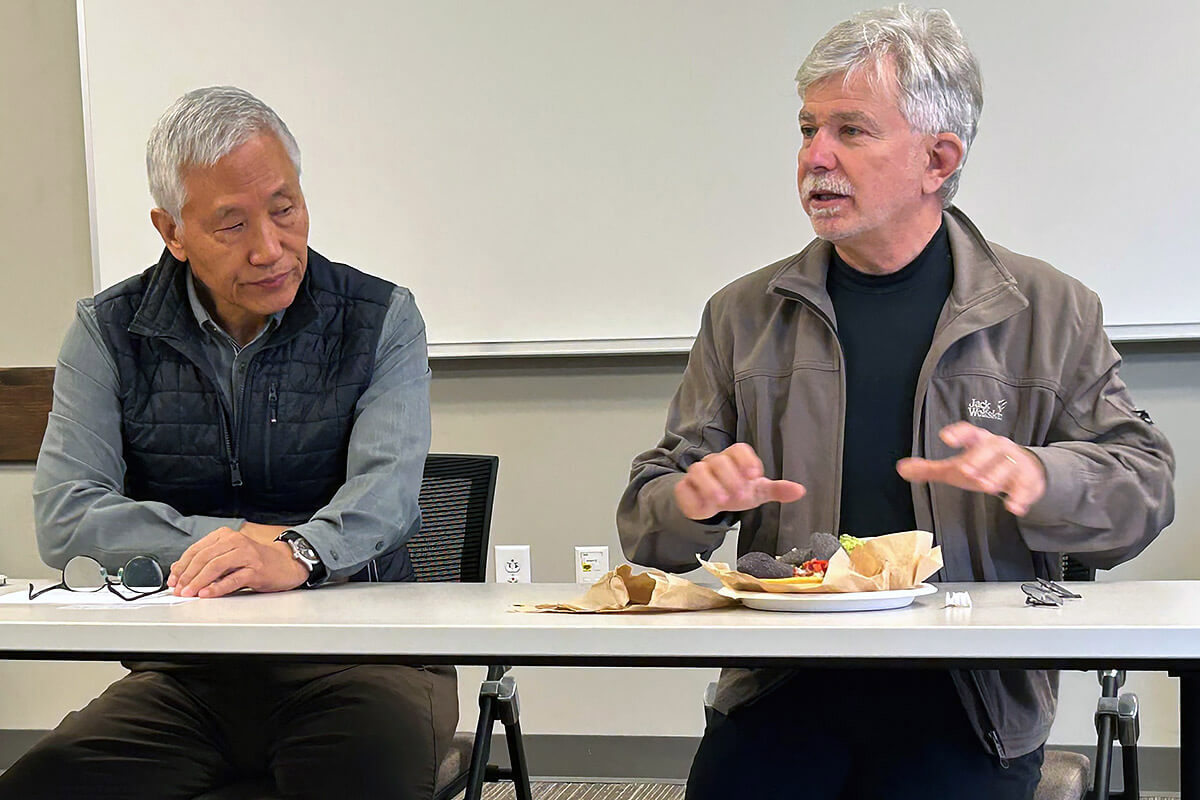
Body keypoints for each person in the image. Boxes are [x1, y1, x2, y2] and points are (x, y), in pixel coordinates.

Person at [616, 6, 1175, 799]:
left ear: (938, 157)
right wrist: (691, 500)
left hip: (967, 697)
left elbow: (1145, 486)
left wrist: (1044, 478)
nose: (815, 157)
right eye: (808, 128)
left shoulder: (1050, 310)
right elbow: (646, 514)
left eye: (851, 131)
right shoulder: (744, 313)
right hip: (783, 688)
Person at [0, 86, 456, 800]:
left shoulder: (380, 318)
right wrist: (242, 543)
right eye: (231, 225)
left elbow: (388, 497)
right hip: (191, 673)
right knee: (43, 785)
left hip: (364, 663)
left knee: (356, 775)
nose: (270, 248)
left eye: (284, 209)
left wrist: (300, 554)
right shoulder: (108, 332)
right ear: (172, 231)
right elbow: (66, 515)